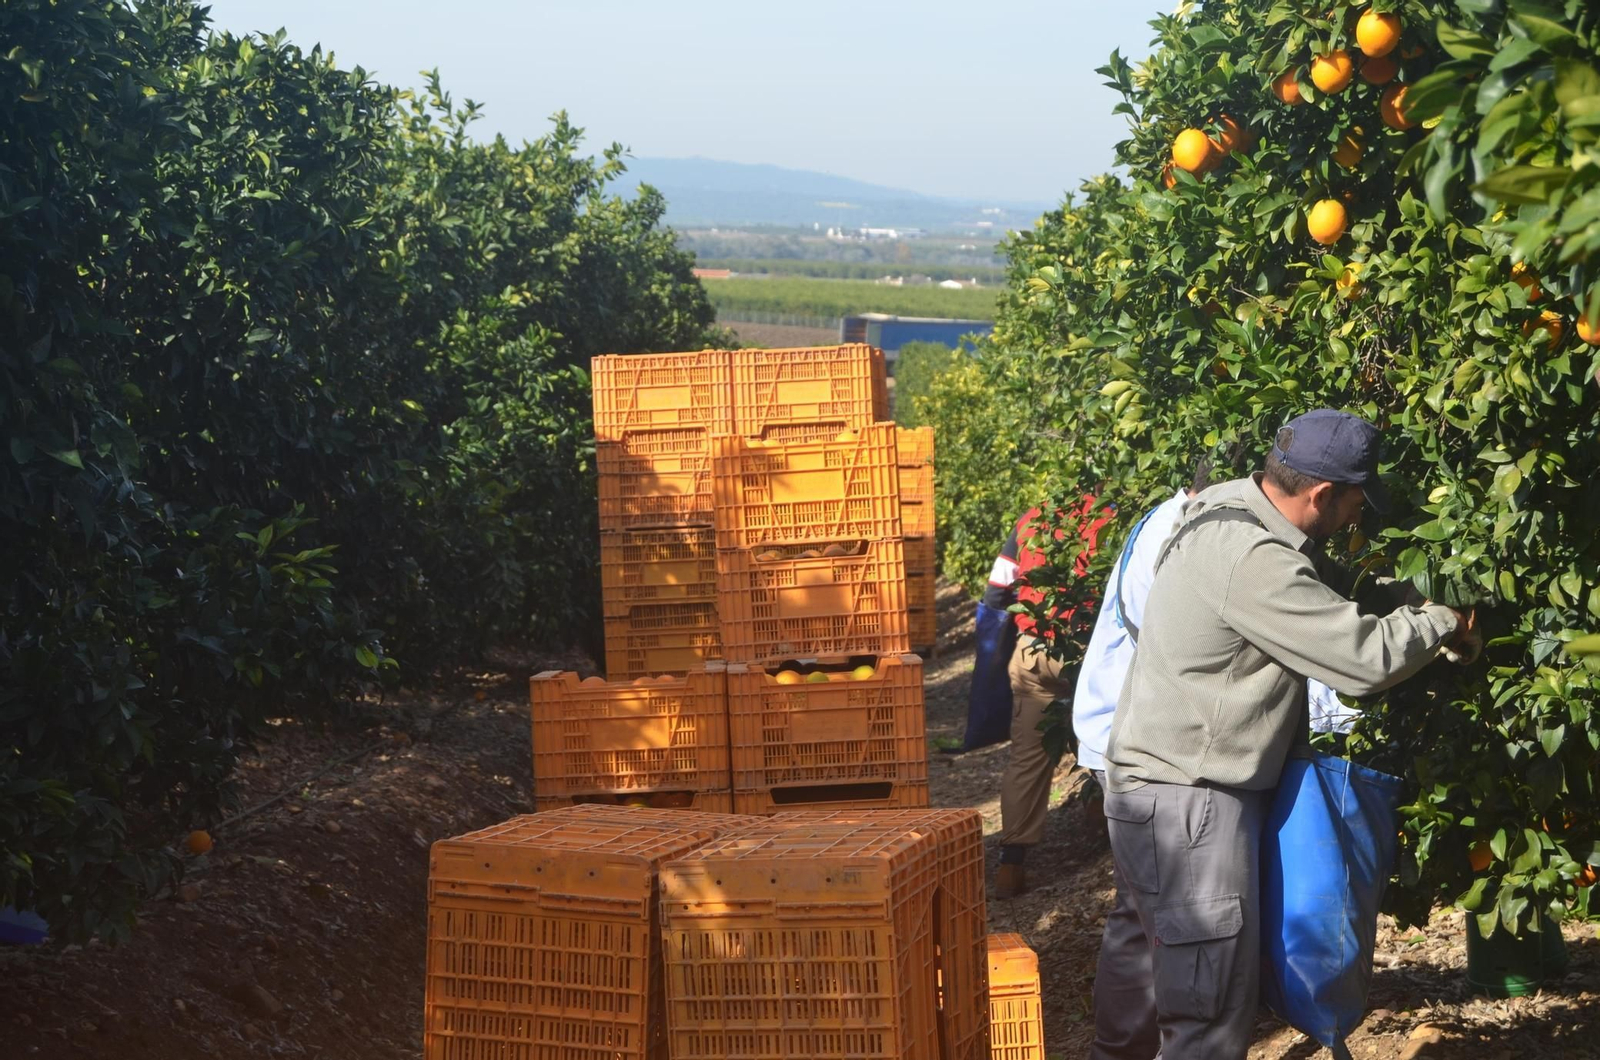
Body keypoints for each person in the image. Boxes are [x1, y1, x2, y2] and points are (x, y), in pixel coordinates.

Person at [1095, 409, 1480, 1059]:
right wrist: (1444, 618)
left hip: (1147, 792)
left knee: (1143, 976)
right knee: (1207, 1012)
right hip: (1193, 806)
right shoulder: (1255, 560)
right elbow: (1363, 660)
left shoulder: (1219, 510)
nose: (1359, 516)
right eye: (1358, 500)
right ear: (1322, 494)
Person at [1075, 460, 1344, 1059]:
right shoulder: (1231, 545)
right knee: (1204, 976)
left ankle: (1117, 1051)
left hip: (1137, 761)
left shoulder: (1185, 522)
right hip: (1184, 777)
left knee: (1144, 932)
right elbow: (1342, 651)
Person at [995, 494, 1116, 900]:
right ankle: (1105, 833)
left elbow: (996, 592)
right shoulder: (1111, 518)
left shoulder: (1032, 519)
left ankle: (1011, 862)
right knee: (1105, 739)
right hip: (1088, 650)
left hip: (1035, 648)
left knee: (1028, 756)